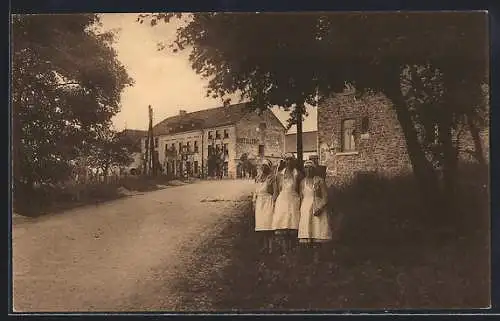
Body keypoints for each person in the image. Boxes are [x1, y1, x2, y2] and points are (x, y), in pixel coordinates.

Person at [298, 160, 333, 263]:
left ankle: (317, 258)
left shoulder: (319, 180)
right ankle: (308, 259)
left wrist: (320, 208)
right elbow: (301, 197)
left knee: (317, 232)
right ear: (304, 170)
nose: (308, 170)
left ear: (314, 170)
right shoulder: (302, 182)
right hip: (305, 208)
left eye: (310, 168)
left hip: (316, 208)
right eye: (306, 168)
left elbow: (325, 197)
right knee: (308, 233)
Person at [271, 153, 302, 253]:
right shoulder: (280, 174)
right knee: (283, 226)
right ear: (285, 161)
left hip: (293, 201)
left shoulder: (297, 174)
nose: (289, 162)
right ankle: (285, 251)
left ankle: (293, 251)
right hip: (282, 201)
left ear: (294, 161)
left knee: (293, 226)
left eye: (290, 159)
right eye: (287, 160)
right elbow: (277, 191)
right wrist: (274, 203)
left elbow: (300, 190)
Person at [252, 159, 275, 254]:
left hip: (268, 202)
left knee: (268, 225)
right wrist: (253, 202)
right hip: (259, 203)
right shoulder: (258, 178)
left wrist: (274, 203)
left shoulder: (271, 178)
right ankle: (265, 246)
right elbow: (255, 192)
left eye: (266, 166)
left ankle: (271, 247)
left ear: (269, 168)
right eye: (263, 166)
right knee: (262, 226)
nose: (264, 168)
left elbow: (274, 192)